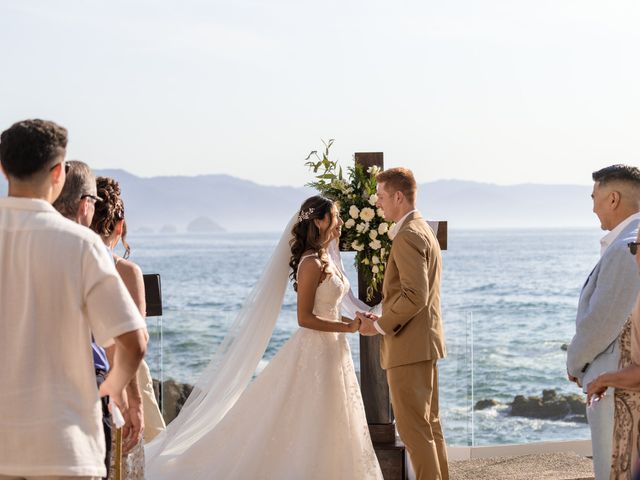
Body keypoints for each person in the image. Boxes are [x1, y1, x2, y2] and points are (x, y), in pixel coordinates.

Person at [145, 196, 383, 479]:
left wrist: (352, 322)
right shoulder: (310, 262)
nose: (340, 223)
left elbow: (328, 311)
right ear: (319, 222)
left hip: (334, 351)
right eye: (335, 217)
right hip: (314, 351)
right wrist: (347, 328)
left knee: (333, 418)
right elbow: (305, 318)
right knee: (306, 416)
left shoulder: (326, 260)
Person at [0, 118, 147, 479]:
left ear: (3, 169)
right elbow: (133, 341)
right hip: (64, 447)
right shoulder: (81, 246)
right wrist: (116, 392)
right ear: (58, 173)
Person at [357, 167, 448, 480]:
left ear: (398, 196)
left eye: (381, 197)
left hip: (408, 348)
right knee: (429, 427)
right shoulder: (423, 230)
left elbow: (414, 296)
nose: (378, 203)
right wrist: (382, 313)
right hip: (425, 342)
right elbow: (412, 294)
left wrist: (379, 325)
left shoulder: (408, 235)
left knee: (414, 432)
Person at [90, 176, 166, 479]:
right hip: (126, 373)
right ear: (119, 226)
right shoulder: (127, 271)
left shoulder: (73, 261)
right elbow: (136, 336)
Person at [567, 164, 640, 480]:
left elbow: (602, 320)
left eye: (594, 196)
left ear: (612, 199)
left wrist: (575, 363)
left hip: (619, 390)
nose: (592, 206)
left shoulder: (630, 245)